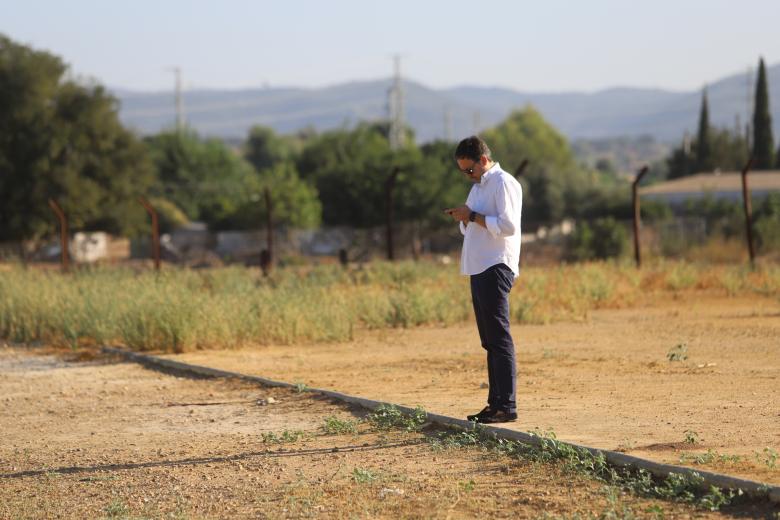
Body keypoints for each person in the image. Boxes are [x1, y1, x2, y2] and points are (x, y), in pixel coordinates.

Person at [444, 136, 523, 424]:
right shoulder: (478, 188)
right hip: (478, 267)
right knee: (489, 340)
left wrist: (473, 215)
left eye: (470, 170)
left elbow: (508, 226)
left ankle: (507, 405)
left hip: (496, 265)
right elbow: (473, 229)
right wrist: (464, 218)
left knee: (499, 338)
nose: (468, 176)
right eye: (463, 172)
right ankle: (495, 404)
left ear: (483, 160)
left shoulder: (503, 183)